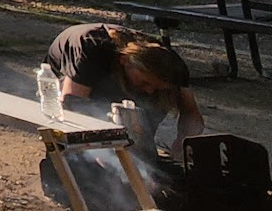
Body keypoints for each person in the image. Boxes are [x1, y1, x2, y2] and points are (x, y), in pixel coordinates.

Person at [46, 23, 204, 159]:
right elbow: (72, 105)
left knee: (150, 111)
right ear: (124, 60)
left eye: (155, 86)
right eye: (145, 82)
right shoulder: (91, 50)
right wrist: (103, 155)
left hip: (115, 73)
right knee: (91, 122)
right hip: (68, 76)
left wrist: (183, 143)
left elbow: (190, 112)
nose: (149, 90)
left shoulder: (173, 66)